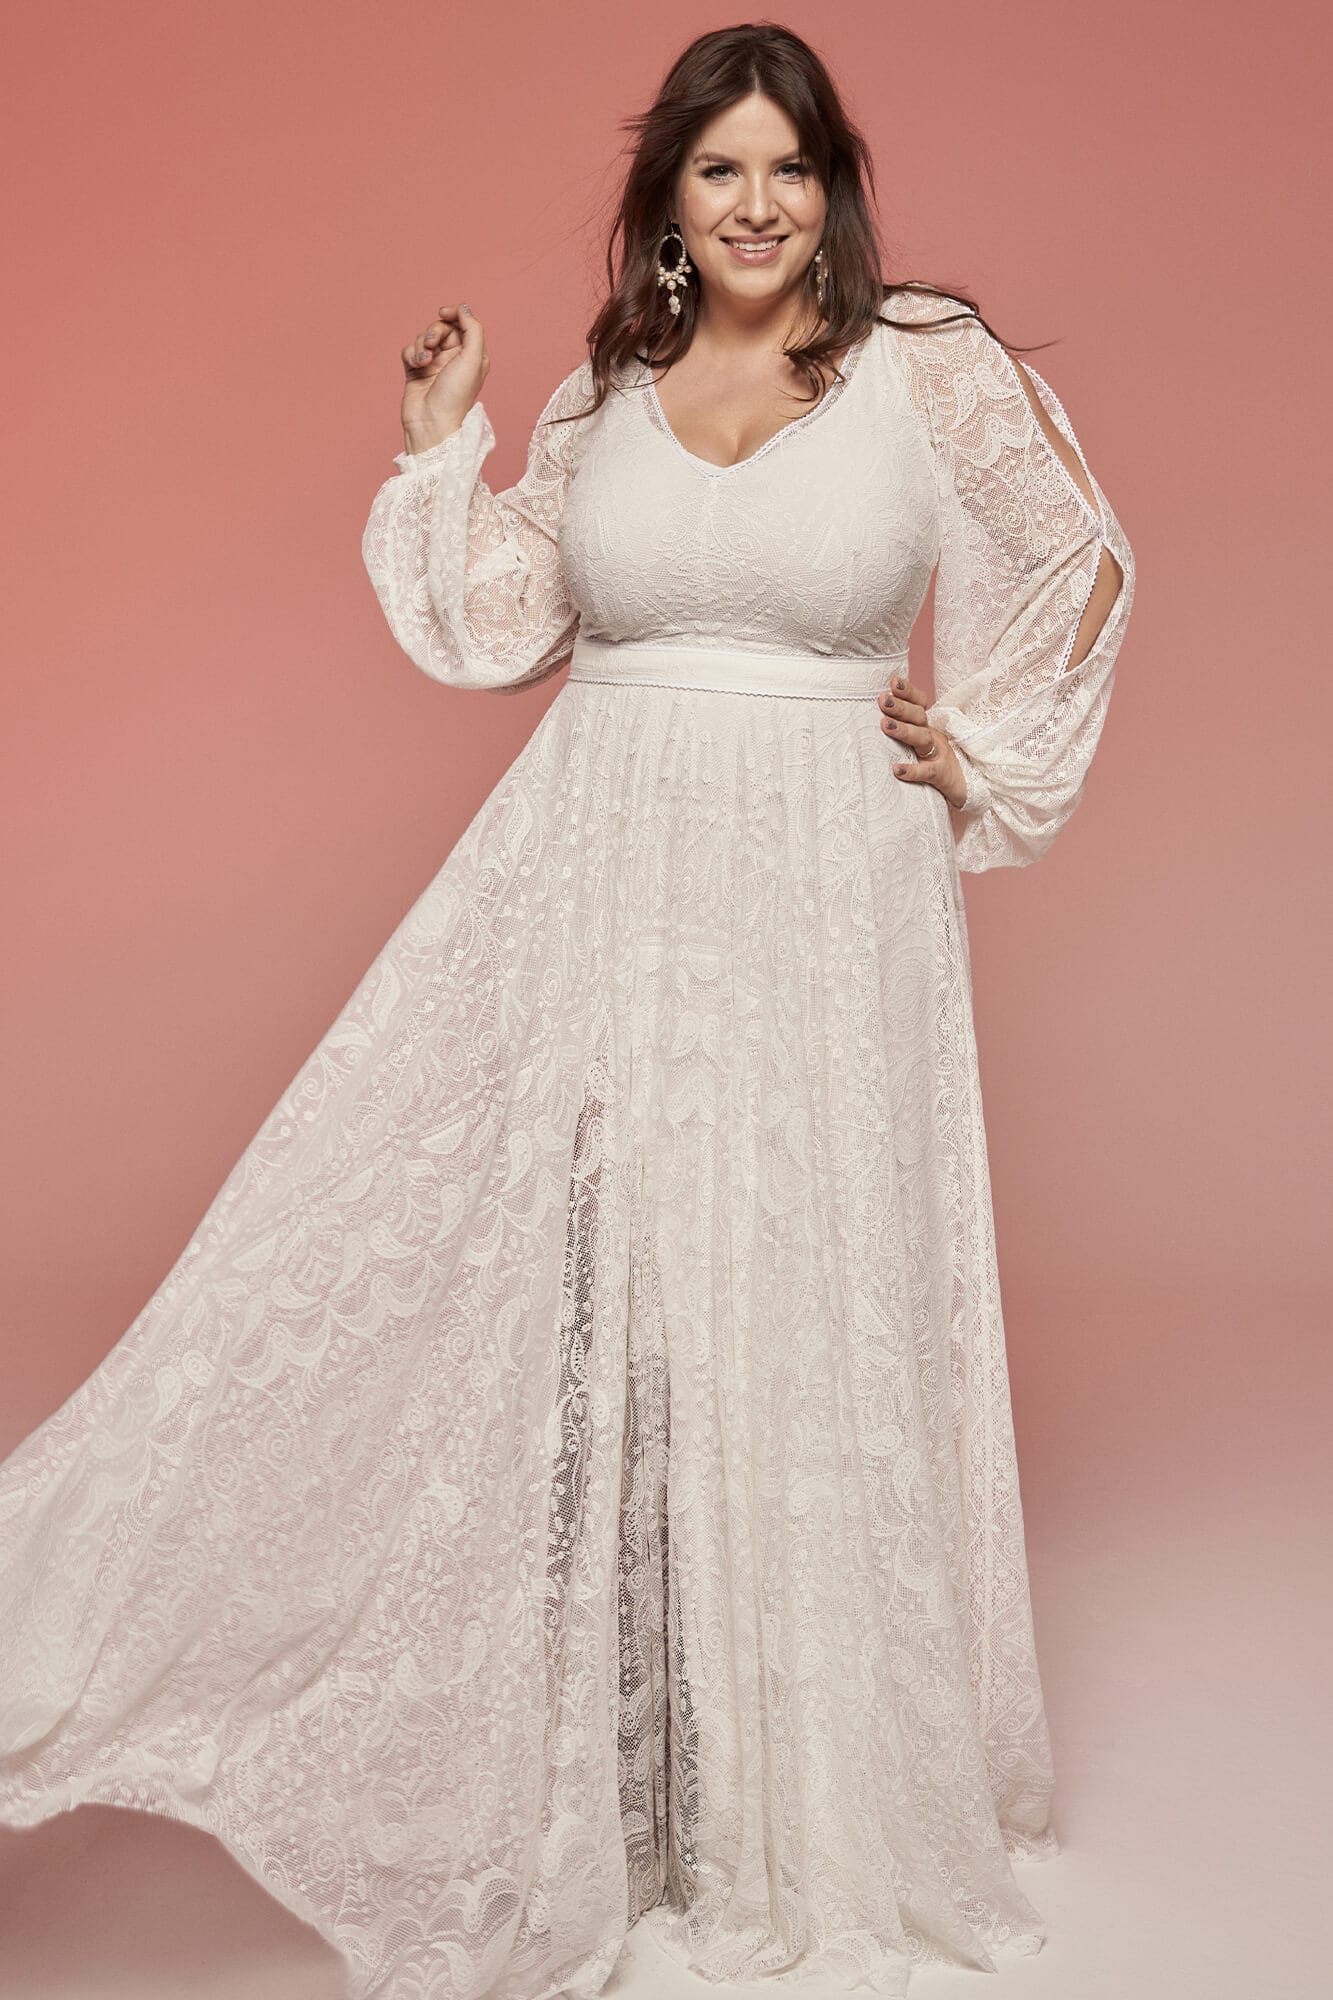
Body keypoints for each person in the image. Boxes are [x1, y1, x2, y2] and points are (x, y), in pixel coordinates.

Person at [0, 22, 1134, 2000]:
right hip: (600, 881)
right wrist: (442, 446)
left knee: (801, 1286)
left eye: (789, 167)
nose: (758, 203)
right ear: (669, 199)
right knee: (607, 1293)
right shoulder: (612, 385)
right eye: (720, 170)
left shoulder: (920, 363)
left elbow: (1082, 557)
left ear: (833, 188)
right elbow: (506, 621)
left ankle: (801, 1792)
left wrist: (988, 752)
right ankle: (622, 1776)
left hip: (825, 891)